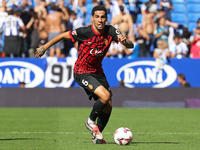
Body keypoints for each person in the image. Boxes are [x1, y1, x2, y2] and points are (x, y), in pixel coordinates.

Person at [35, 5, 133, 144]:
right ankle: (90, 121)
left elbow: (131, 46)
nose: (100, 20)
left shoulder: (110, 31)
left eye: (103, 17)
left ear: (106, 18)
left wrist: (125, 41)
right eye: (97, 17)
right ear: (92, 18)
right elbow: (63, 35)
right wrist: (45, 47)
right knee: (105, 96)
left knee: (108, 104)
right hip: (82, 71)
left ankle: (97, 136)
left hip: (98, 71)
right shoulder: (85, 32)